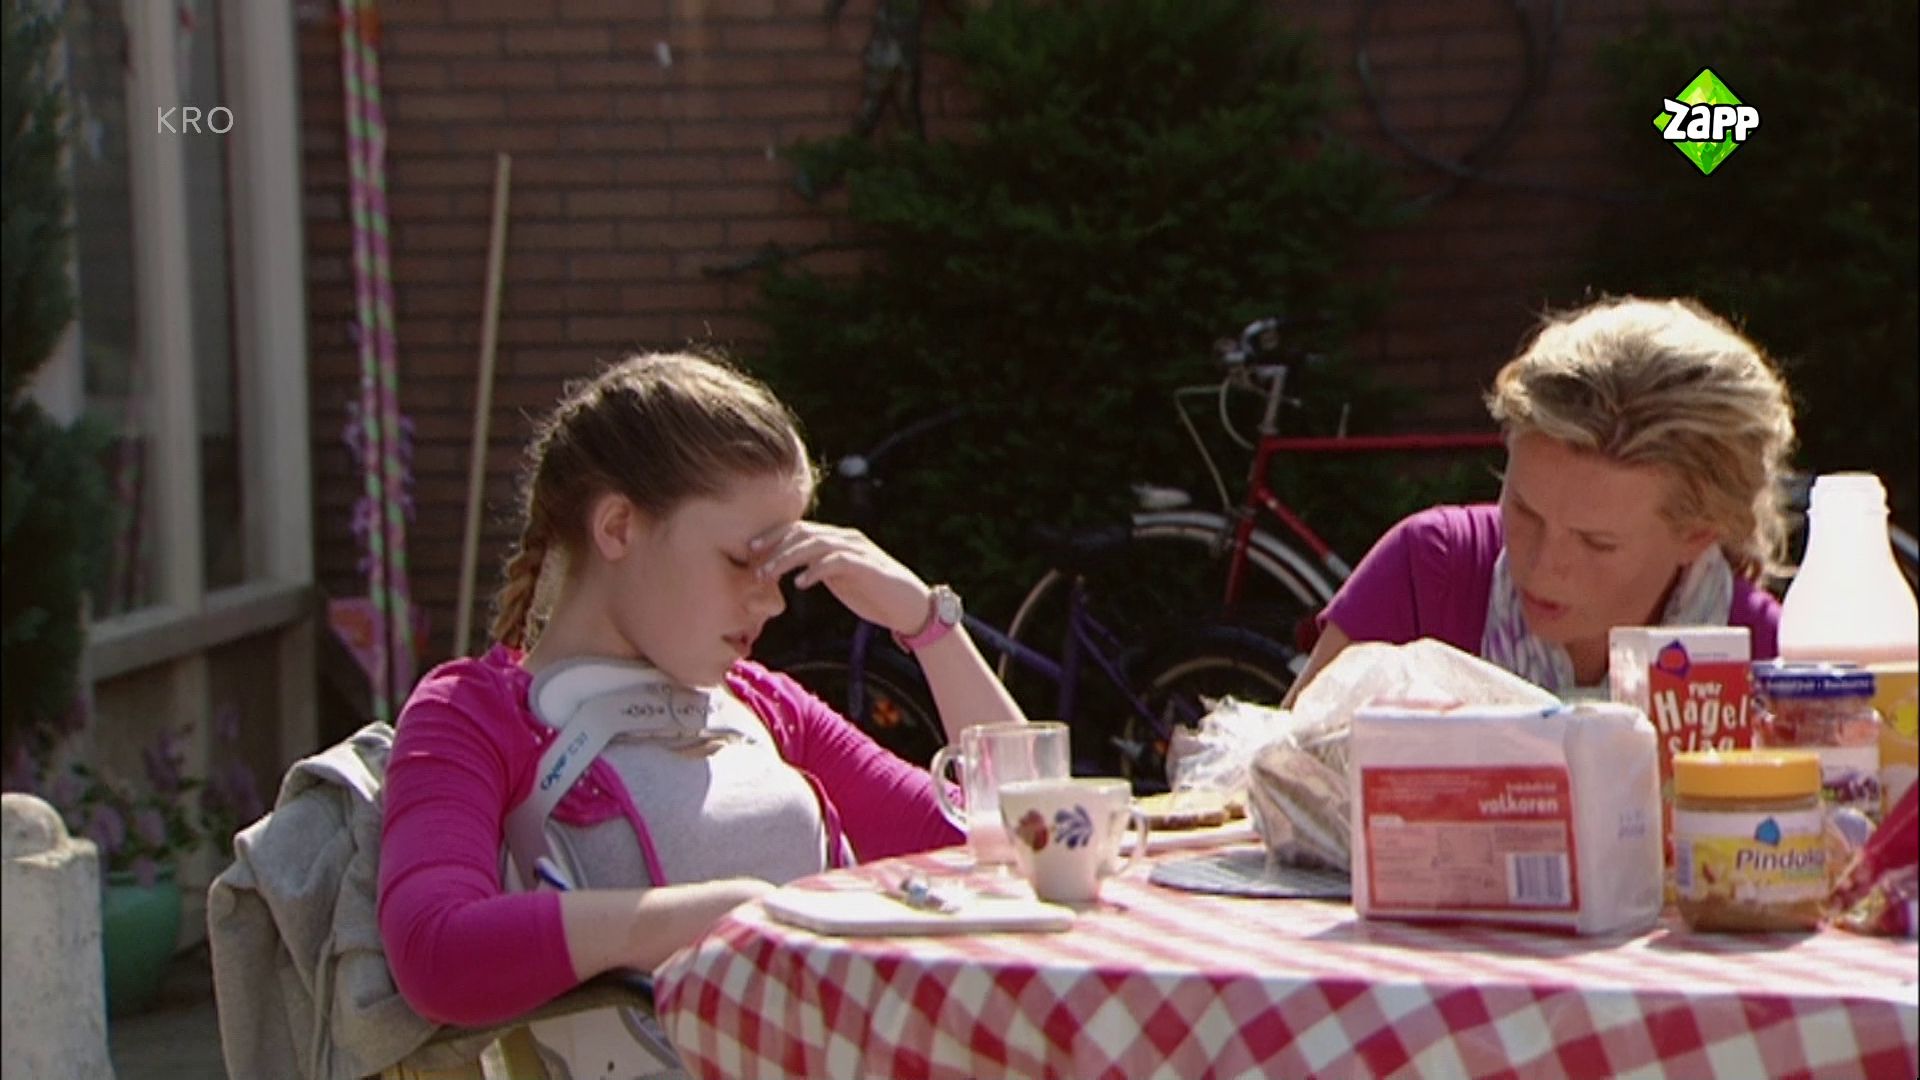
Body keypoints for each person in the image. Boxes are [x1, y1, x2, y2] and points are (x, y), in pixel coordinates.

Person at [377, 352, 1026, 1034]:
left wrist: (928, 624)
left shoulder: (764, 705)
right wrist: (724, 917)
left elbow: (1019, 844)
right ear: (618, 527)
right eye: (743, 560)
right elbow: (435, 953)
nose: (772, 602)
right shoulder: (474, 714)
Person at [1284, 296, 1797, 703]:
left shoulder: (1772, 661)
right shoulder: (1429, 574)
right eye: (1524, 510)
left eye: (1596, 542)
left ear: (1699, 533)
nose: (1543, 566)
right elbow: (1280, 785)